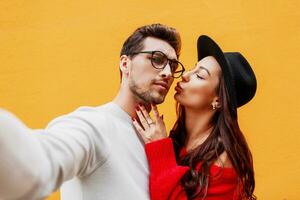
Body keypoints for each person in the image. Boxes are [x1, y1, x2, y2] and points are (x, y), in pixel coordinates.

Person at [0, 23, 186, 200]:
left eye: (173, 65)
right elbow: (40, 164)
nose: (168, 73)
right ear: (125, 64)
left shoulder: (157, 142)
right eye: (157, 59)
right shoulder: (93, 124)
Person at [133, 35, 257, 200]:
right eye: (192, 68)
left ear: (218, 100)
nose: (185, 75)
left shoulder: (222, 161)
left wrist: (160, 149)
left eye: (200, 76)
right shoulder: (181, 137)